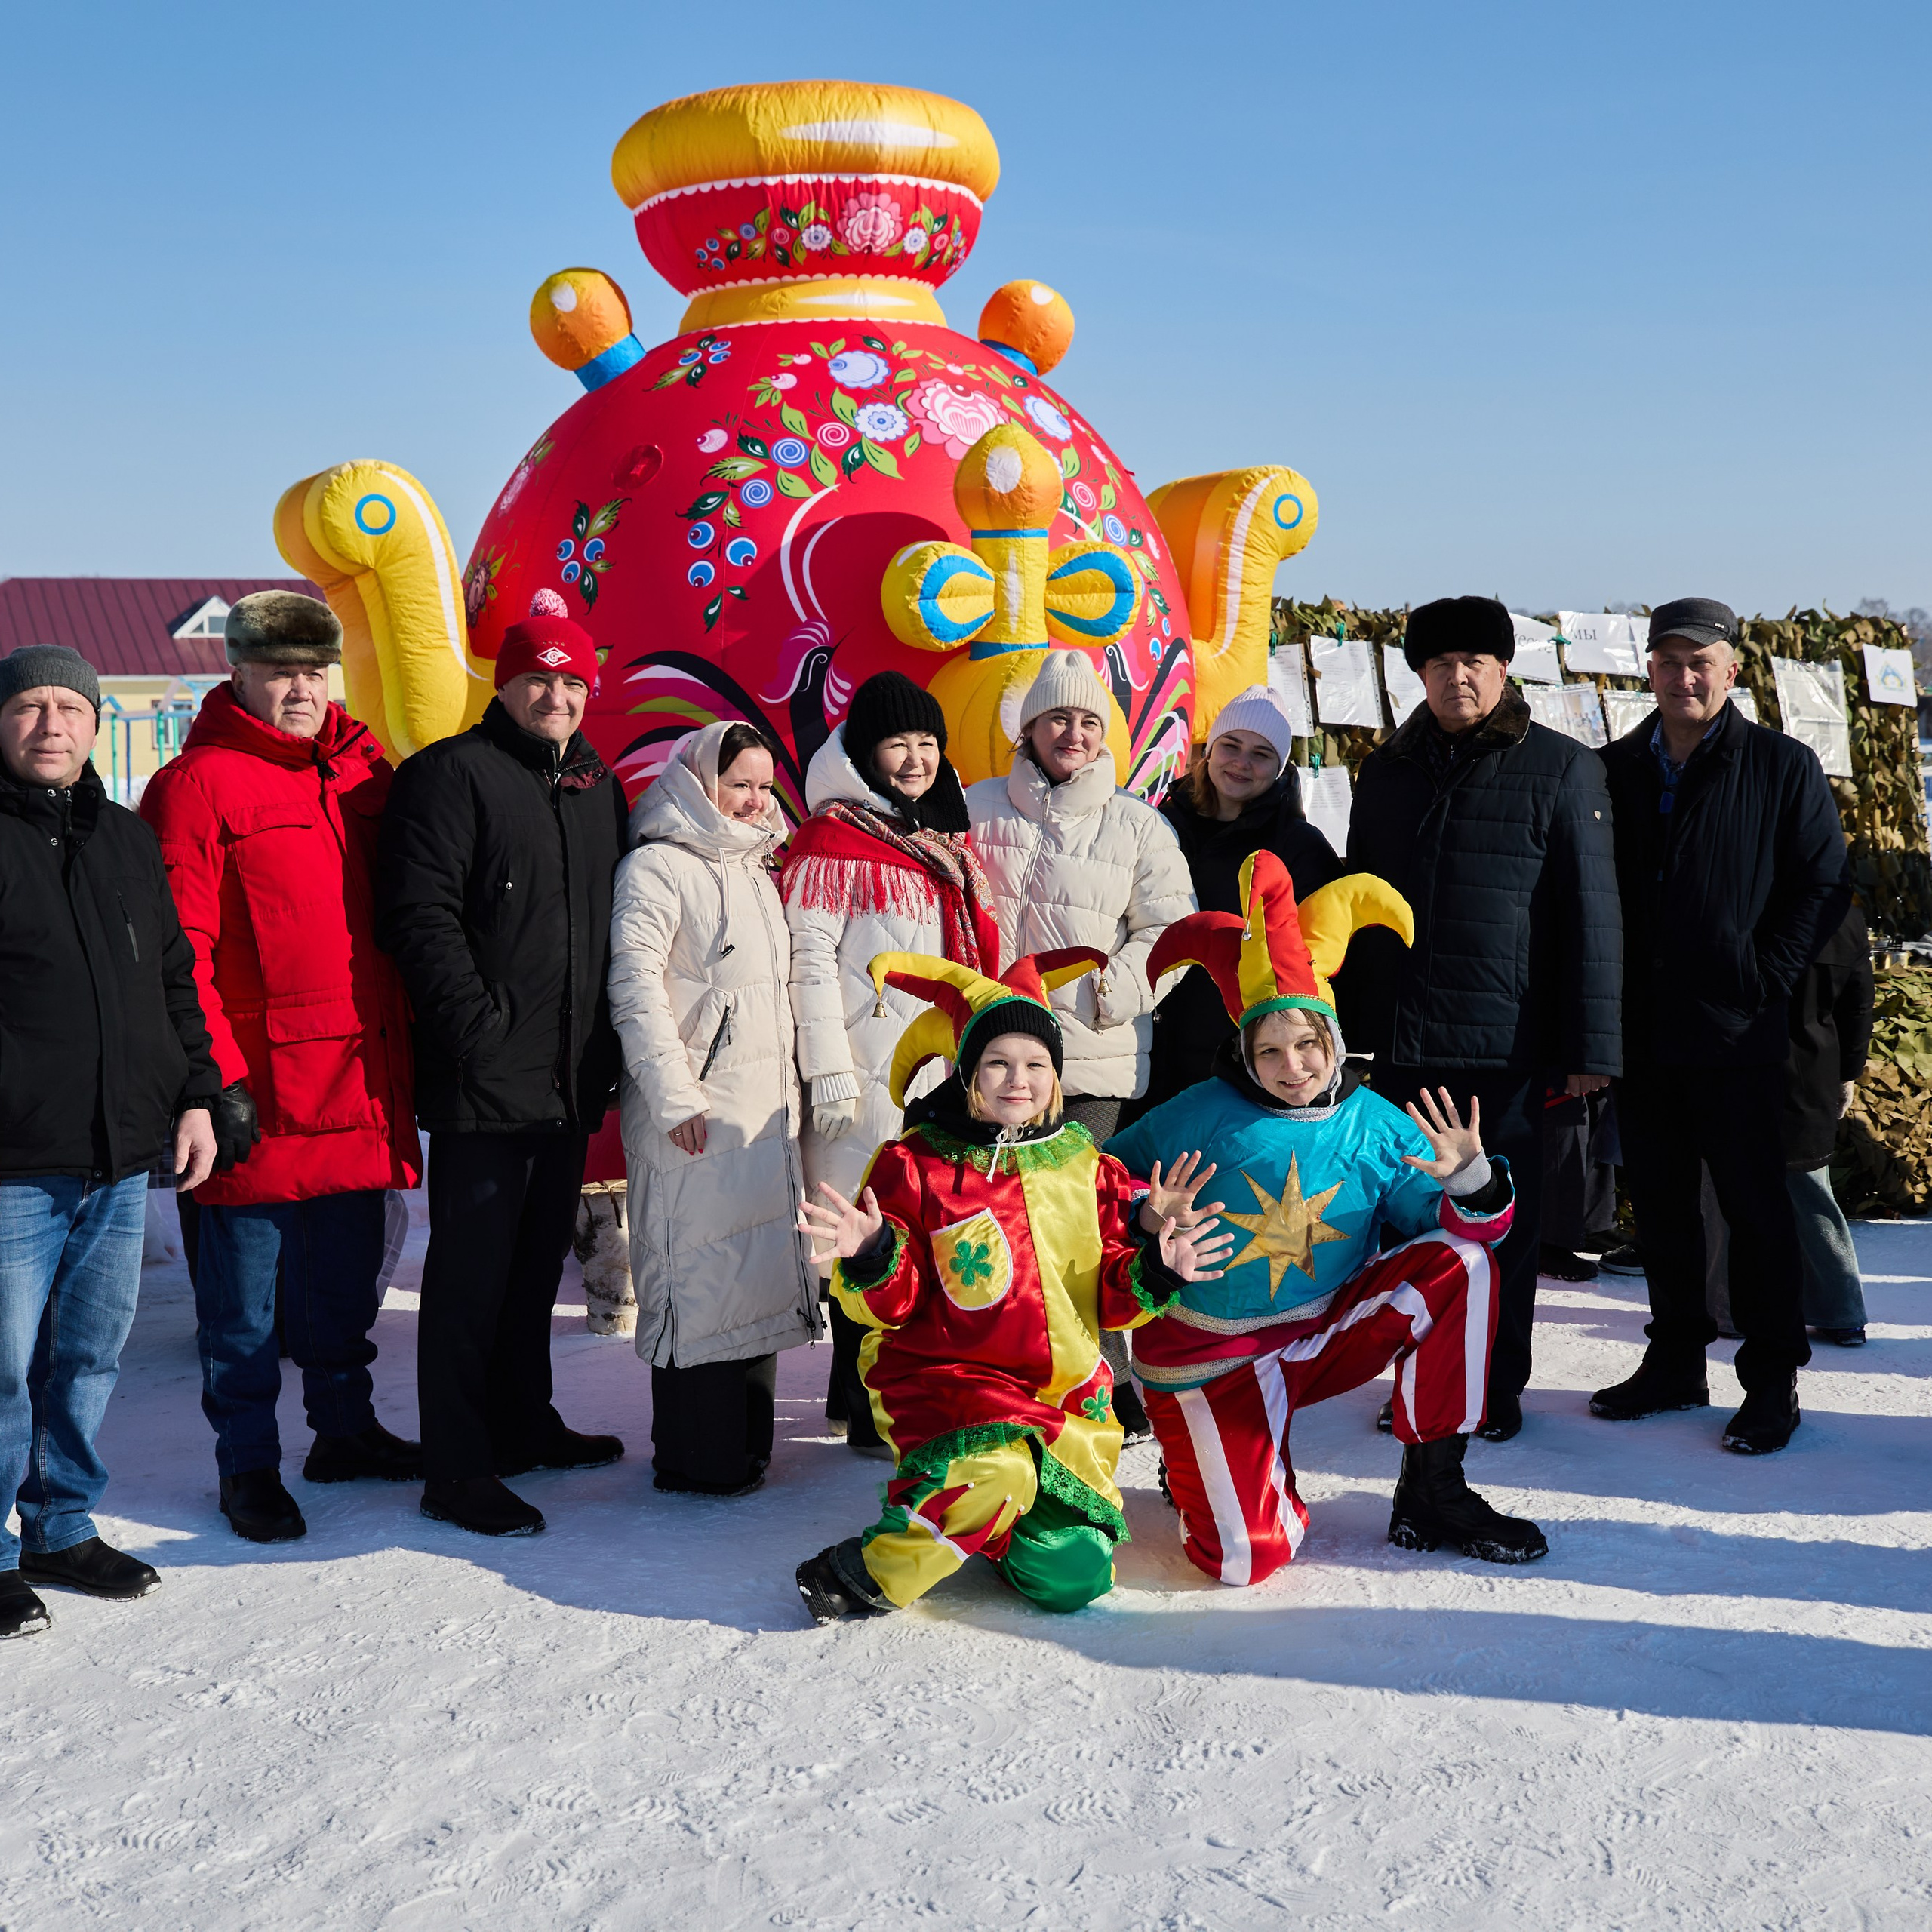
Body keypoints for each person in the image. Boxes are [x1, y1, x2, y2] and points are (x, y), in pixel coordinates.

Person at [1107, 853, 1546, 1586]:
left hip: (1324, 1332)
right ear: (1245, 1052)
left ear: (1332, 1039)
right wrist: (1143, 1215)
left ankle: (1433, 1488)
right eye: (1270, 1050)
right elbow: (1091, 1184)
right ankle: (1202, 1468)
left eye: (1307, 1044)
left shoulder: (1372, 1120)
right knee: (1246, 1559)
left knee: (1460, 1262)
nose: (1294, 1066)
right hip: (1213, 1356)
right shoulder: (1194, 1116)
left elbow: (1462, 1229)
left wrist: (1470, 1183)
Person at [792, 947, 1230, 1623]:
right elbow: (892, 1307)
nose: (1018, 1080)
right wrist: (875, 1251)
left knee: (1076, 1577)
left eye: (1036, 1064)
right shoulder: (915, 1164)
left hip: (1062, 1403)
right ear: (968, 1071)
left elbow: (1108, 1301)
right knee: (997, 1472)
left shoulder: (1083, 1164)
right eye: (998, 1062)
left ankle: (987, 1522)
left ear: (1057, 1075)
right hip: (954, 1388)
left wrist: (1156, 1263)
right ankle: (866, 1572)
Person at [140, 592, 423, 1544]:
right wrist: (210, 1079)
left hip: (357, 1078)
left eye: (314, 671)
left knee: (343, 1288)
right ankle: (247, 1466)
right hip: (256, 1091)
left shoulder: (363, 772)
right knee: (243, 1311)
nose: (300, 689)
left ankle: (344, 1431)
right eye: (278, 672)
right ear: (239, 673)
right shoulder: (195, 785)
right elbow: (178, 949)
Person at [1339, 596, 1621, 1443]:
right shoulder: (1387, 771)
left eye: (1474, 662)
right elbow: (1360, 903)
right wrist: (1349, 1030)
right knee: (1411, 1226)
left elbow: (1591, 914)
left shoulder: (1562, 767)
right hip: (1402, 1043)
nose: (1456, 678)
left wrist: (1588, 1048)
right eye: (1438, 664)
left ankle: (1492, 1388)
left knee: (1502, 1230)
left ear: (1503, 670)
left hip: (1507, 1050)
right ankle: (1420, 1384)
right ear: (1418, 675)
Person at [377, 599, 630, 1535]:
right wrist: (476, 1031)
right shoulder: (451, 774)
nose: (555, 697)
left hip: (570, 1073)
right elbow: (419, 917)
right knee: (469, 1278)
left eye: (571, 682)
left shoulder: (596, 786)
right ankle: (456, 1465)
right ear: (505, 683)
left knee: (533, 1266)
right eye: (538, 680)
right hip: (485, 1074)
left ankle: (525, 1420)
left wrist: (605, 1043)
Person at [1592, 598, 1850, 1454]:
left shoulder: (1779, 764)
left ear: (1731, 670)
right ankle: (1675, 1360)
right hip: (1643, 1031)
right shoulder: (1614, 769)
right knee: (1663, 1209)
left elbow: (1823, 884)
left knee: (1753, 1211)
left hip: (1737, 1035)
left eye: (1700, 661)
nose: (1684, 676)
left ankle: (1772, 1379)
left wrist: (1761, 976)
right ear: (1650, 671)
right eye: (1669, 661)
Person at [0, 645, 220, 1639]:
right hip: (14, 1157)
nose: (52, 725)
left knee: (87, 1356)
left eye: (71, 708)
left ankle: (59, 1526)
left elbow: (173, 978)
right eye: (29, 706)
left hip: (120, 1152)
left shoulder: (126, 838)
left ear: (95, 724)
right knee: (3, 1366)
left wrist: (196, 1095)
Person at [965, 649, 1196, 1441]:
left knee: (1082, 1223)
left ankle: (1110, 1379)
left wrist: (1107, 994)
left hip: (1093, 1061)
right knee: (998, 1218)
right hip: (993, 1061)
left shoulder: (1138, 825)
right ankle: (1008, 1371)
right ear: (1030, 727)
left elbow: (1170, 931)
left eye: (1089, 721)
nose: (1073, 733)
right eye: (1058, 717)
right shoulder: (977, 808)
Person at [780, 672, 1001, 1457]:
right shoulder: (832, 840)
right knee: (861, 1233)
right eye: (897, 744)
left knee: (915, 1233)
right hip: (863, 1074)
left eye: (927, 743)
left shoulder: (943, 840)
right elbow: (807, 959)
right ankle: (867, 1406)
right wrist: (828, 1067)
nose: (914, 759)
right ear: (863, 752)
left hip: (934, 1072)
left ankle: (879, 1395)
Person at [608, 721, 818, 1496]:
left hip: (757, 1108)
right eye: (739, 785)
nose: (755, 801)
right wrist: (673, 1094)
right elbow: (635, 985)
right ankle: (695, 1455)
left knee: (750, 1276)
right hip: (692, 1106)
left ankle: (742, 1446)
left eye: (764, 786)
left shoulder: (758, 867)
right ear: (700, 781)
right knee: (697, 1275)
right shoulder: (657, 867)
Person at [1129, 684, 1341, 1124]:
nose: (1242, 762)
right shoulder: (1159, 824)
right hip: (1147, 1036)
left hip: (1239, 1051)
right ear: (1209, 751)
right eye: (1231, 745)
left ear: (1279, 768)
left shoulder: (1299, 847)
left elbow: (1317, 959)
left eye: (1261, 754)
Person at [1783, 899, 1872, 1346]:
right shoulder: (1846, 916)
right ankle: (1841, 1311)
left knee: (1721, 1190)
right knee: (1810, 1189)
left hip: (1734, 1063)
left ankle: (1730, 1306)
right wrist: (1847, 1073)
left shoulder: (1739, 895)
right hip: (1812, 1069)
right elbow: (1857, 1005)